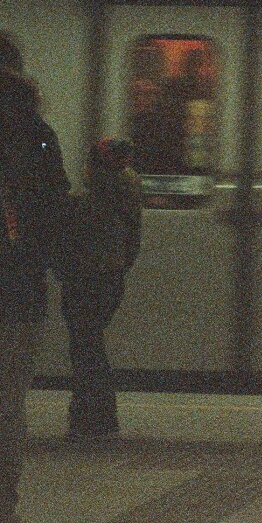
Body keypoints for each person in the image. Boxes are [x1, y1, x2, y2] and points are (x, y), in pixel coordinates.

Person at [1, 68, 71, 523]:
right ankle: (5, 502)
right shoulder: (40, 138)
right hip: (21, 290)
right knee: (8, 405)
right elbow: (56, 207)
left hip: (19, 285)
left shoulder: (37, 140)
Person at [62, 138, 142, 440]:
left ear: (96, 166)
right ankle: (97, 416)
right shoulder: (126, 194)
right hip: (111, 278)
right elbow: (132, 243)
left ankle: (92, 416)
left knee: (85, 348)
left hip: (87, 280)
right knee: (90, 344)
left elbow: (75, 242)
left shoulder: (93, 200)